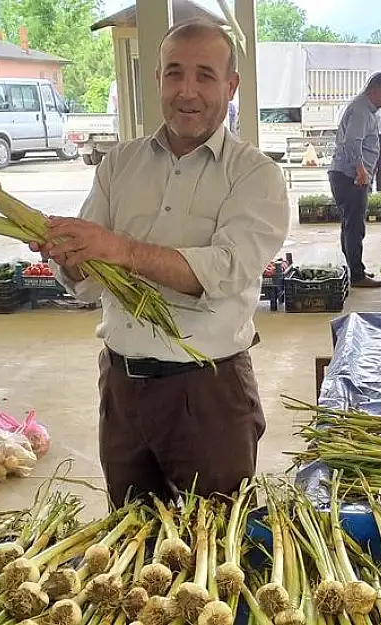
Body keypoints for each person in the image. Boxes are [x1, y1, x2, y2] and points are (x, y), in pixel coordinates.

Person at [33, 19, 290, 506]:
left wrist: (120, 249)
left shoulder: (256, 175)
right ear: (157, 80)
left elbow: (225, 269)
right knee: (133, 546)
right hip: (122, 390)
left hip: (207, 394)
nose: (187, 90)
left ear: (231, 86)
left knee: (218, 548)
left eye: (205, 75)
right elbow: (86, 285)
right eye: (174, 73)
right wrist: (69, 256)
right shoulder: (120, 164)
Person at [328, 72, 381, 289]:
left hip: (348, 175)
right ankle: (357, 276)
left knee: (350, 225)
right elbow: (352, 142)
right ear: (374, 90)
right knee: (355, 226)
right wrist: (360, 169)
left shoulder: (365, 109)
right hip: (350, 177)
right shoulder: (361, 111)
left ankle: (354, 268)